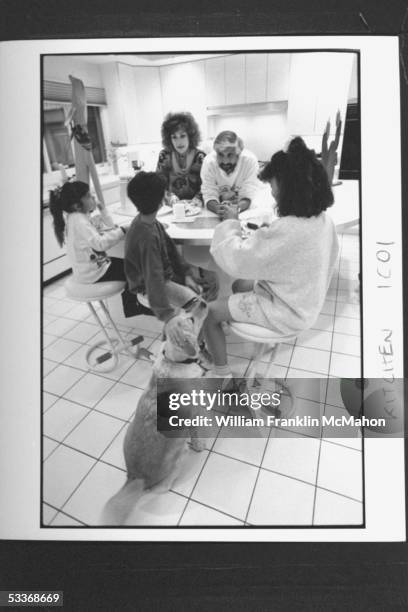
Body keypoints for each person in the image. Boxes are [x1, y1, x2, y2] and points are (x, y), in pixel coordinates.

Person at [203, 137, 339, 378]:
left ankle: (221, 374)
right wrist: (268, 239)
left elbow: (237, 260)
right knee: (239, 286)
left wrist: (231, 222)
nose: (274, 197)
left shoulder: (286, 230)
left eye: (276, 192)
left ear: (292, 191)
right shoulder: (323, 220)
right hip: (305, 300)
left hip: (286, 312)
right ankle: (241, 324)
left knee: (209, 312)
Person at [124, 171, 205, 346]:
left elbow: (171, 251)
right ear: (161, 199)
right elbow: (153, 277)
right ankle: (186, 349)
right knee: (200, 307)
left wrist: (186, 275)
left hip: (161, 277)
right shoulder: (146, 235)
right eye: (166, 192)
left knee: (202, 287)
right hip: (150, 284)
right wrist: (167, 315)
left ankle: (177, 344)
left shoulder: (149, 222)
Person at [49, 180, 127, 283]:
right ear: (77, 206)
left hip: (92, 269)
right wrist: (123, 230)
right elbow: (101, 244)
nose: (94, 197)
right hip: (93, 274)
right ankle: (131, 298)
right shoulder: (79, 221)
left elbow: (111, 226)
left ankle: (130, 296)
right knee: (134, 269)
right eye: (89, 196)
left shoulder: (76, 217)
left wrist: (102, 209)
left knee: (131, 266)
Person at [201, 131, 259, 219]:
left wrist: (235, 209)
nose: (225, 161)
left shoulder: (250, 161)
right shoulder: (209, 163)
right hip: (217, 213)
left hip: (245, 212)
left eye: (230, 155)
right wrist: (217, 208)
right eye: (220, 155)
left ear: (239, 154)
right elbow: (209, 194)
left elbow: (248, 195)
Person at [156, 112, 206, 203]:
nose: (179, 142)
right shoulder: (164, 156)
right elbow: (159, 184)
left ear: (190, 136)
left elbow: (207, 184)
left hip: (197, 208)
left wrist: (198, 199)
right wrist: (169, 196)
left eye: (182, 136)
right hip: (173, 208)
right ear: (169, 139)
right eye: (174, 137)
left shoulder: (200, 156)